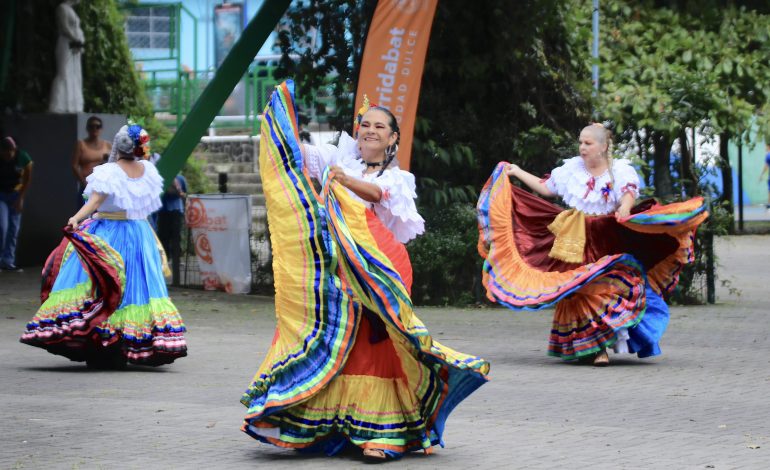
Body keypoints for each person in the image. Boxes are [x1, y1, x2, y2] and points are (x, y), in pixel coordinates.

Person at [240, 82, 489, 461]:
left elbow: (376, 196)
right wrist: (277, 124)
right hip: (342, 266)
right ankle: (329, 425)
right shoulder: (338, 160)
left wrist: (341, 179)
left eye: (380, 127)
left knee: (381, 341)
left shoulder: (396, 178)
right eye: (366, 125)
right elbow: (298, 156)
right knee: (340, 338)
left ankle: (383, 433)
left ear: (393, 138)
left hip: (382, 267)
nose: (370, 130)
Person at [477, 123, 708, 366]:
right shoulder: (571, 170)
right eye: (581, 142)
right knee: (577, 290)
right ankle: (587, 346)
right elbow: (546, 188)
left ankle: (601, 348)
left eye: (588, 143)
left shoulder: (618, 171)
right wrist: (517, 171)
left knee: (603, 289)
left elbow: (628, 194)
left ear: (603, 146)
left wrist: (626, 208)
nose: (582, 147)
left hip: (606, 237)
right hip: (574, 238)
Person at [20, 124, 187, 368]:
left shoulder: (109, 171)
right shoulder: (148, 170)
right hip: (140, 234)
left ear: (119, 145)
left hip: (110, 233)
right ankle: (131, 342)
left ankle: (103, 343)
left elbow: (96, 200)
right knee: (136, 287)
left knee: (103, 284)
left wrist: (77, 218)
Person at [0, 137, 33, 272]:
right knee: (2, 226)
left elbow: (27, 179)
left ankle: (8, 261)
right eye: (6, 152)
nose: (9, 154)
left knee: (14, 228)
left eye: (11, 151)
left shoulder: (23, 157)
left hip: (16, 194)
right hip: (1, 194)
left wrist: (20, 198)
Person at [72, 116, 112, 204]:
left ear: (101, 129)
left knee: (102, 214)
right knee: (85, 213)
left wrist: (107, 159)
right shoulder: (81, 144)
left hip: (103, 186)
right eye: (91, 126)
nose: (94, 129)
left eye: (97, 126)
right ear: (87, 128)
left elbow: (114, 164)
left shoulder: (107, 145)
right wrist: (83, 182)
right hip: (87, 186)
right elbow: (74, 165)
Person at [156, 173, 188, 285]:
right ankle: (165, 265)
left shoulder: (180, 178)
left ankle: (174, 266)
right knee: (164, 240)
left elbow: (184, 194)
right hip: (165, 211)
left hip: (174, 211)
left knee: (175, 239)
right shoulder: (163, 177)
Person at [759, 143, 770, 212]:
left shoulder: (768, 155)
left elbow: (766, 166)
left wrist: (761, 175)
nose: (765, 148)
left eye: (766, 146)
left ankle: (769, 205)